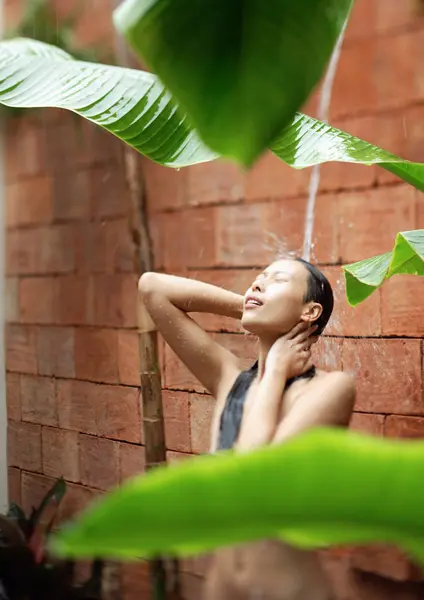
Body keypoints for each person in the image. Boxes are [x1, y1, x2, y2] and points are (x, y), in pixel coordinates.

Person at [138, 257, 356, 600]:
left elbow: (253, 476)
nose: (258, 283)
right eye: (258, 278)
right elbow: (152, 287)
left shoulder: (330, 390)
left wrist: (273, 375)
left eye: (277, 280)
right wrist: (250, 305)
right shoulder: (231, 379)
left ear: (310, 312)